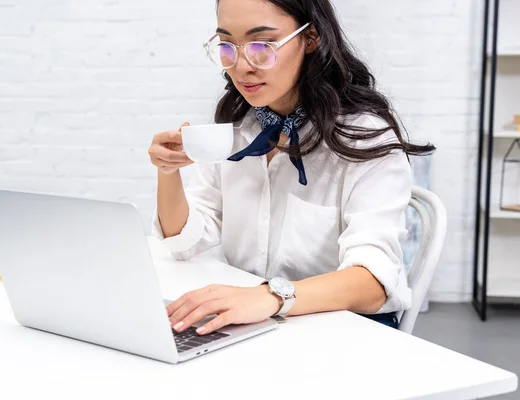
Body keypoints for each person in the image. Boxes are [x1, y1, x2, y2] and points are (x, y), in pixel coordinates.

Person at [148, 0, 435, 335]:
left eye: (262, 46)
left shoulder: (364, 138)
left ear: (311, 38)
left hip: (345, 329)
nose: (241, 66)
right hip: (261, 322)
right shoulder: (240, 127)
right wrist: (168, 173)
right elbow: (183, 242)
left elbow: (373, 281)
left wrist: (271, 297)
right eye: (227, 46)